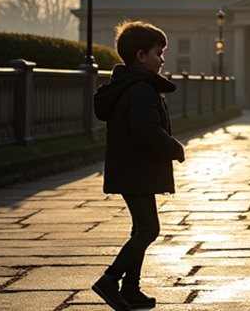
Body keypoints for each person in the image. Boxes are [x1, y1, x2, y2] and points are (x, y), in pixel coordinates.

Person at [91, 20, 185, 311]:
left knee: (141, 228)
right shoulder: (141, 89)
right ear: (141, 56)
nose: (163, 59)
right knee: (148, 230)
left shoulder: (131, 85)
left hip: (131, 169)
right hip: (136, 170)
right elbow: (146, 132)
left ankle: (131, 288)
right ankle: (110, 279)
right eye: (158, 53)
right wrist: (174, 147)